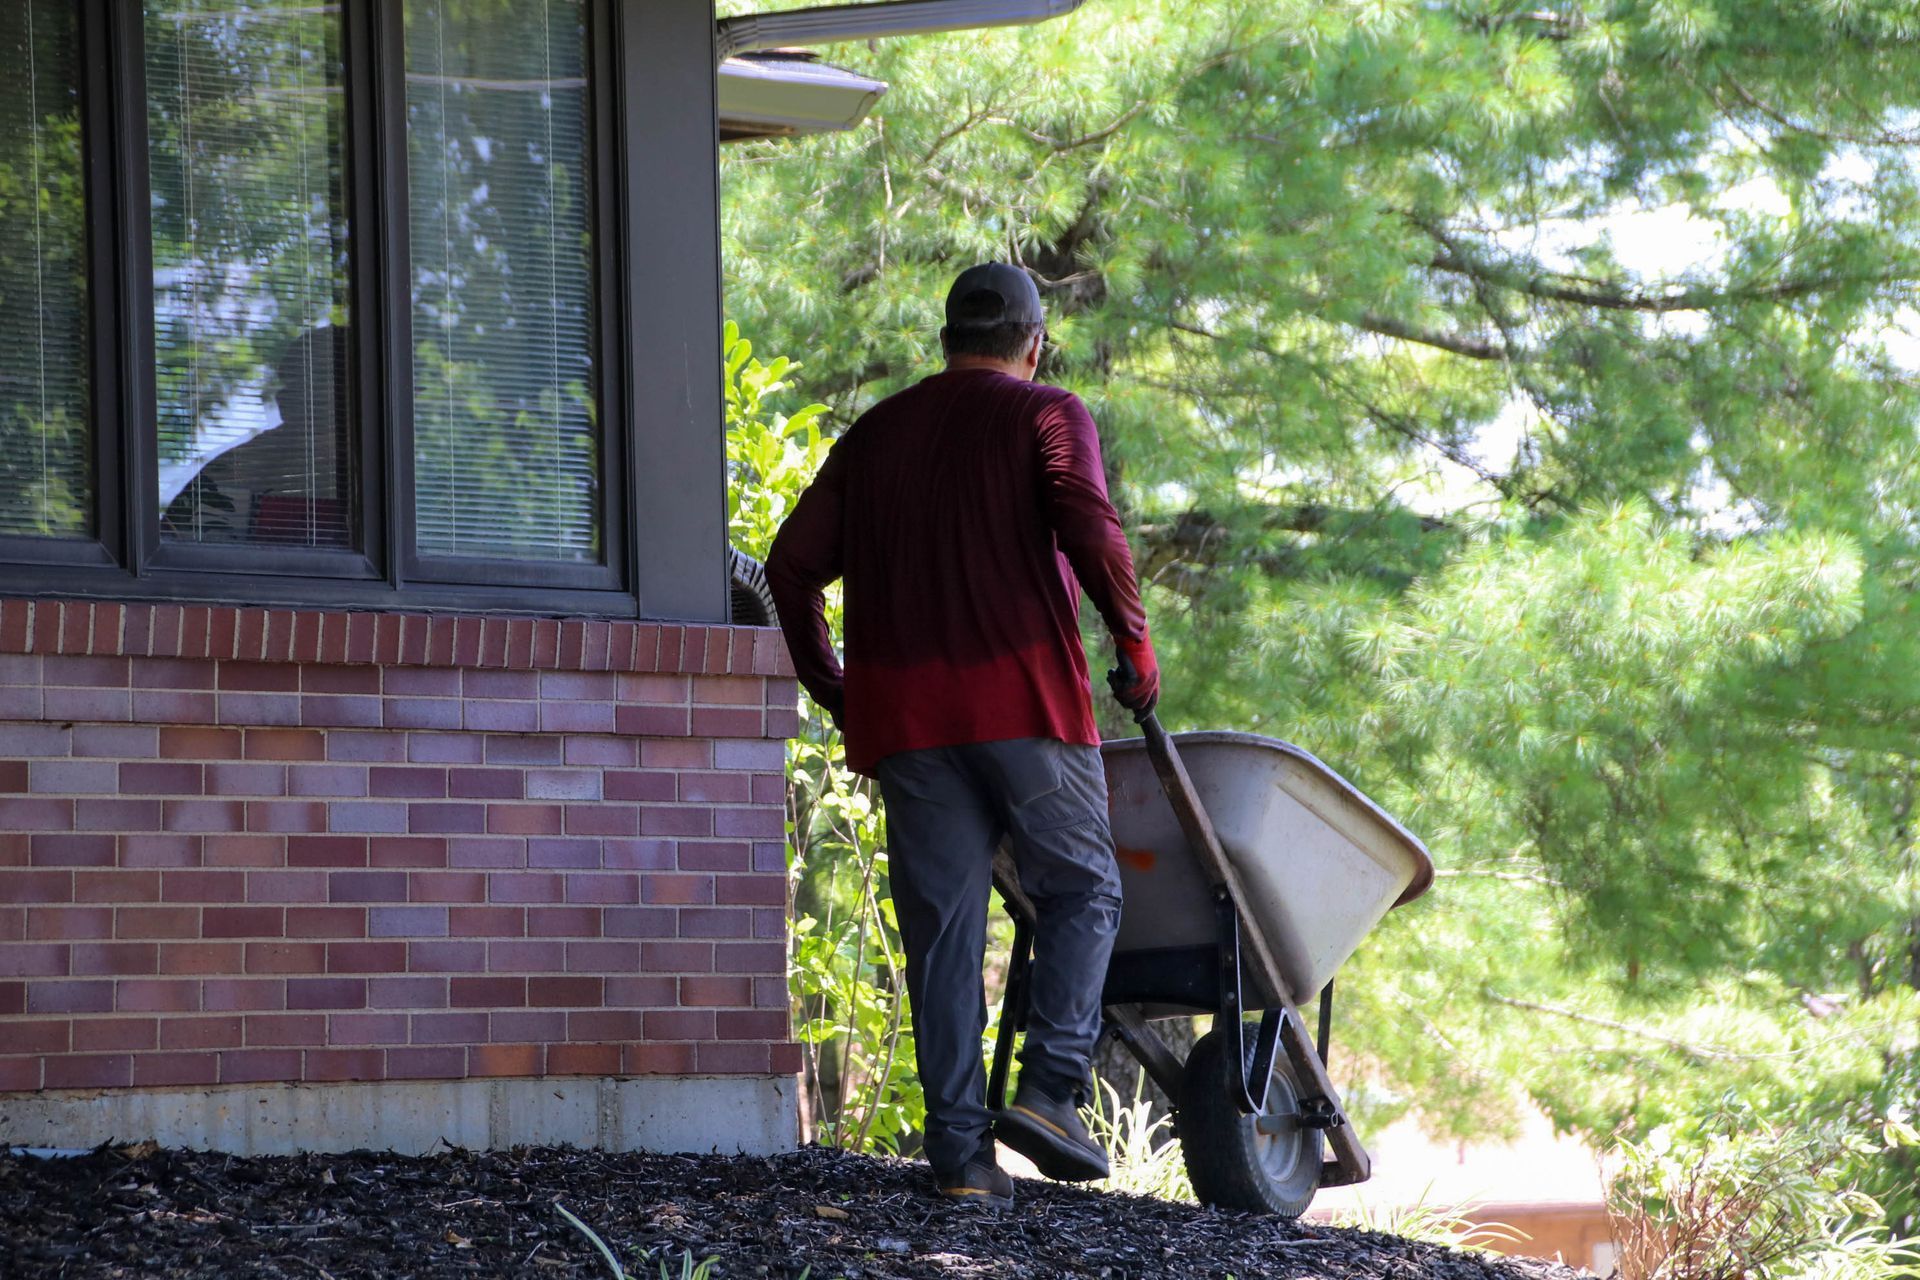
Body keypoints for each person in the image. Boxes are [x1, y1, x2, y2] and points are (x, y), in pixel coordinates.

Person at [766, 263, 1159, 1210]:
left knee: (942, 938)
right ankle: (1052, 1093)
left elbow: (788, 568)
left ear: (946, 341)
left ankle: (961, 1165)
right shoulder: (1047, 413)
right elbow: (1093, 530)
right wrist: (1134, 646)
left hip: (907, 721)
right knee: (1082, 889)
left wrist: (839, 689)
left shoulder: (878, 434)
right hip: (1022, 699)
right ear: (1035, 343)